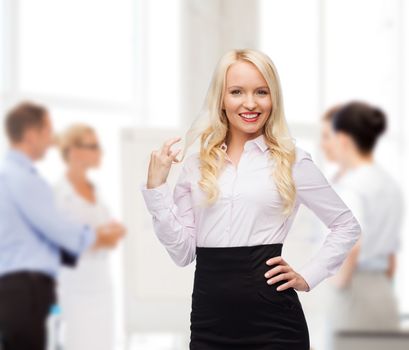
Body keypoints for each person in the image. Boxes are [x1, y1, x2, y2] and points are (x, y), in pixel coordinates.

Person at [141, 49, 361, 349]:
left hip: (275, 325)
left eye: (261, 92)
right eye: (236, 92)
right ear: (221, 98)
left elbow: (346, 225)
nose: (250, 103)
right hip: (210, 323)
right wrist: (156, 189)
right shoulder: (196, 165)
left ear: (274, 99)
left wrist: (308, 276)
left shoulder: (293, 161)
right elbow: (182, 253)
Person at [0, 102, 125, 350]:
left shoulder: (17, 175)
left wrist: (101, 236)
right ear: (31, 135)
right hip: (39, 286)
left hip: (92, 283)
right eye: (47, 131)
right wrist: (98, 237)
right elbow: (60, 232)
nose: (51, 139)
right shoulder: (24, 179)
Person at [321, 102, 403, 339]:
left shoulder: (351, 188)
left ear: (344, 140)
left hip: (353, 292)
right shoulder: (389, 184)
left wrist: (336, 284)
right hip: (384, 293)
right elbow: (391, 257)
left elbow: (352, 244)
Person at [54, 124, 124, 350]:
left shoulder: (94, 189)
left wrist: (103, 235)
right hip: (76, 285)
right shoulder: (60, 194)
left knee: (104, 342)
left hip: (102, 283)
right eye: (92, 146)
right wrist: (100, 237)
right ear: (73, 152)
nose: (99, 152)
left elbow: (105, 232)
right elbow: (64, 241)